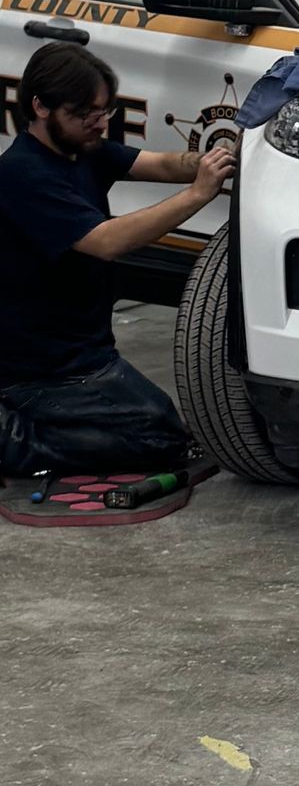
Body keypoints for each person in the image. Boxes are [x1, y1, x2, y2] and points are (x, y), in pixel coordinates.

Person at [0, 43, 234, 474]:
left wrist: (227, 158)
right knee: (158, 438)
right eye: (86, 112)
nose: (100, 123)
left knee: (163, 430)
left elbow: (165, 165)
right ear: (40, 106)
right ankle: (13, 442)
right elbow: (107, 241)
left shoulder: (84, 150)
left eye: (105, 110)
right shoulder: (22, 174)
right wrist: (199, 193)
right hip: (40, 368)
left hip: (85, 353)